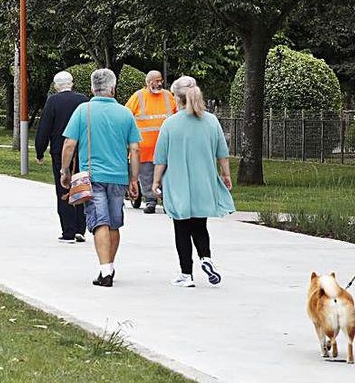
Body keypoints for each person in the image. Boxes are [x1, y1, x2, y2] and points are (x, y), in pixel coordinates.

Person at [59, 69, 141, 288]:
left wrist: (64, 171)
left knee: (100, 222)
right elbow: (134, 149)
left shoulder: (83, 111)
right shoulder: (125, 114)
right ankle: (110, 266)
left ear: (92, 88)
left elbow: (69, 144)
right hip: (118, 177)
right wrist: (134, 179)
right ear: (113, 88)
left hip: (93, 176)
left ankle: (105, 272)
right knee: (114, 223)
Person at [151, 76, 235, 288]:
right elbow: (222, 154)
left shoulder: (170, 124)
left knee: (181, 228)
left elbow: (161, 158)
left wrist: (155, 181)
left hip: (178, 183)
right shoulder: (211, 121)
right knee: (200, 225)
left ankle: (186, 274)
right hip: (203, 182)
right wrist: (226, 176)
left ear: (176, 99)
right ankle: (206, 258)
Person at [35, 71, 90, 244]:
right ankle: (81, 229)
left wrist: (40, 150)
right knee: (81, 186)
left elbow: (44, 127)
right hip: (82, 150)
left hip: (60, 151)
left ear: (56, 85)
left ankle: (68, 231)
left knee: (63, 189)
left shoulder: (53, 101)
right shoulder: (83, 100)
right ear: (72, 83)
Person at [125, 70, 177, 214]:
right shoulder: (138, 96)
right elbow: (126, 115)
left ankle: (167, 201)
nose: (159, 83)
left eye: (160, 80)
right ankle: (150, 201)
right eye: (156, 81)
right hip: (145, 147)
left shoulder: (168, 96)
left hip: (165, 146)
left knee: (166, 175)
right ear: (148, 82)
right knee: (146, 175)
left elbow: (177, 114)